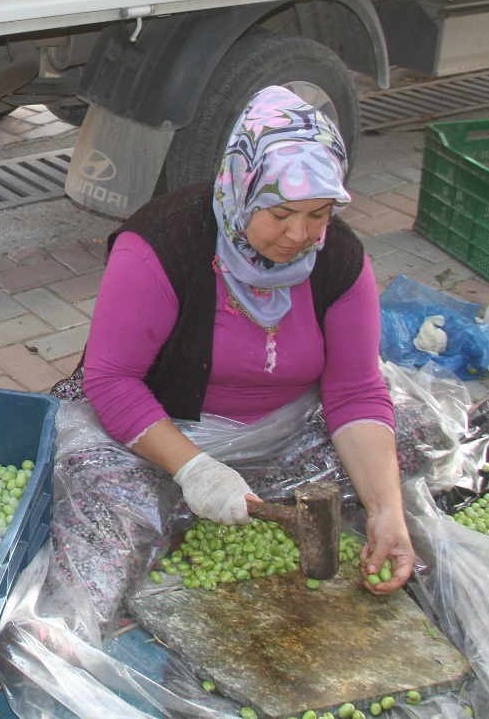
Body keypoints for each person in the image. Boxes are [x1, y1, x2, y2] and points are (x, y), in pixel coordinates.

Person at [53, 85, 415, 593]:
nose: (298, 236)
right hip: (161, 432)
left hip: (284, 435)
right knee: (98, 494)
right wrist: (197, 470)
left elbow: (355, 390)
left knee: (412, 440)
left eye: (318, 214)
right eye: (281, 214)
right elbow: (111, 381)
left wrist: (386, 510)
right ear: (245, 189)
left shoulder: (339, 261)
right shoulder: (162, 245)